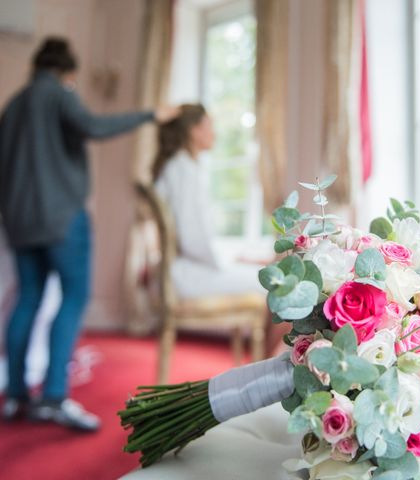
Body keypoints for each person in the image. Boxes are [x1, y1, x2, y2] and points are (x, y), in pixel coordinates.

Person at [0, 37, 179, 431]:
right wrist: (151, 114)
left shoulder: (12, 107)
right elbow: (94, 126)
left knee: (27, 298)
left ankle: (14, 397)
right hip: (62, 218)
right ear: (69, 72)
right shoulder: (60, 94)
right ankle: (53, 398)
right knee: (73, 296)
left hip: (19, 221)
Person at [153, 104, 262, 299]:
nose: (214, 133)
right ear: (194, 131)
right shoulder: (182, 170)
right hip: (187, 274)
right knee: (272, 283)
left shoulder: (184, 167)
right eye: (209, 126)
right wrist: (225, 261)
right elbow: (190, 237)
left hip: (191, 268)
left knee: (264, 276)